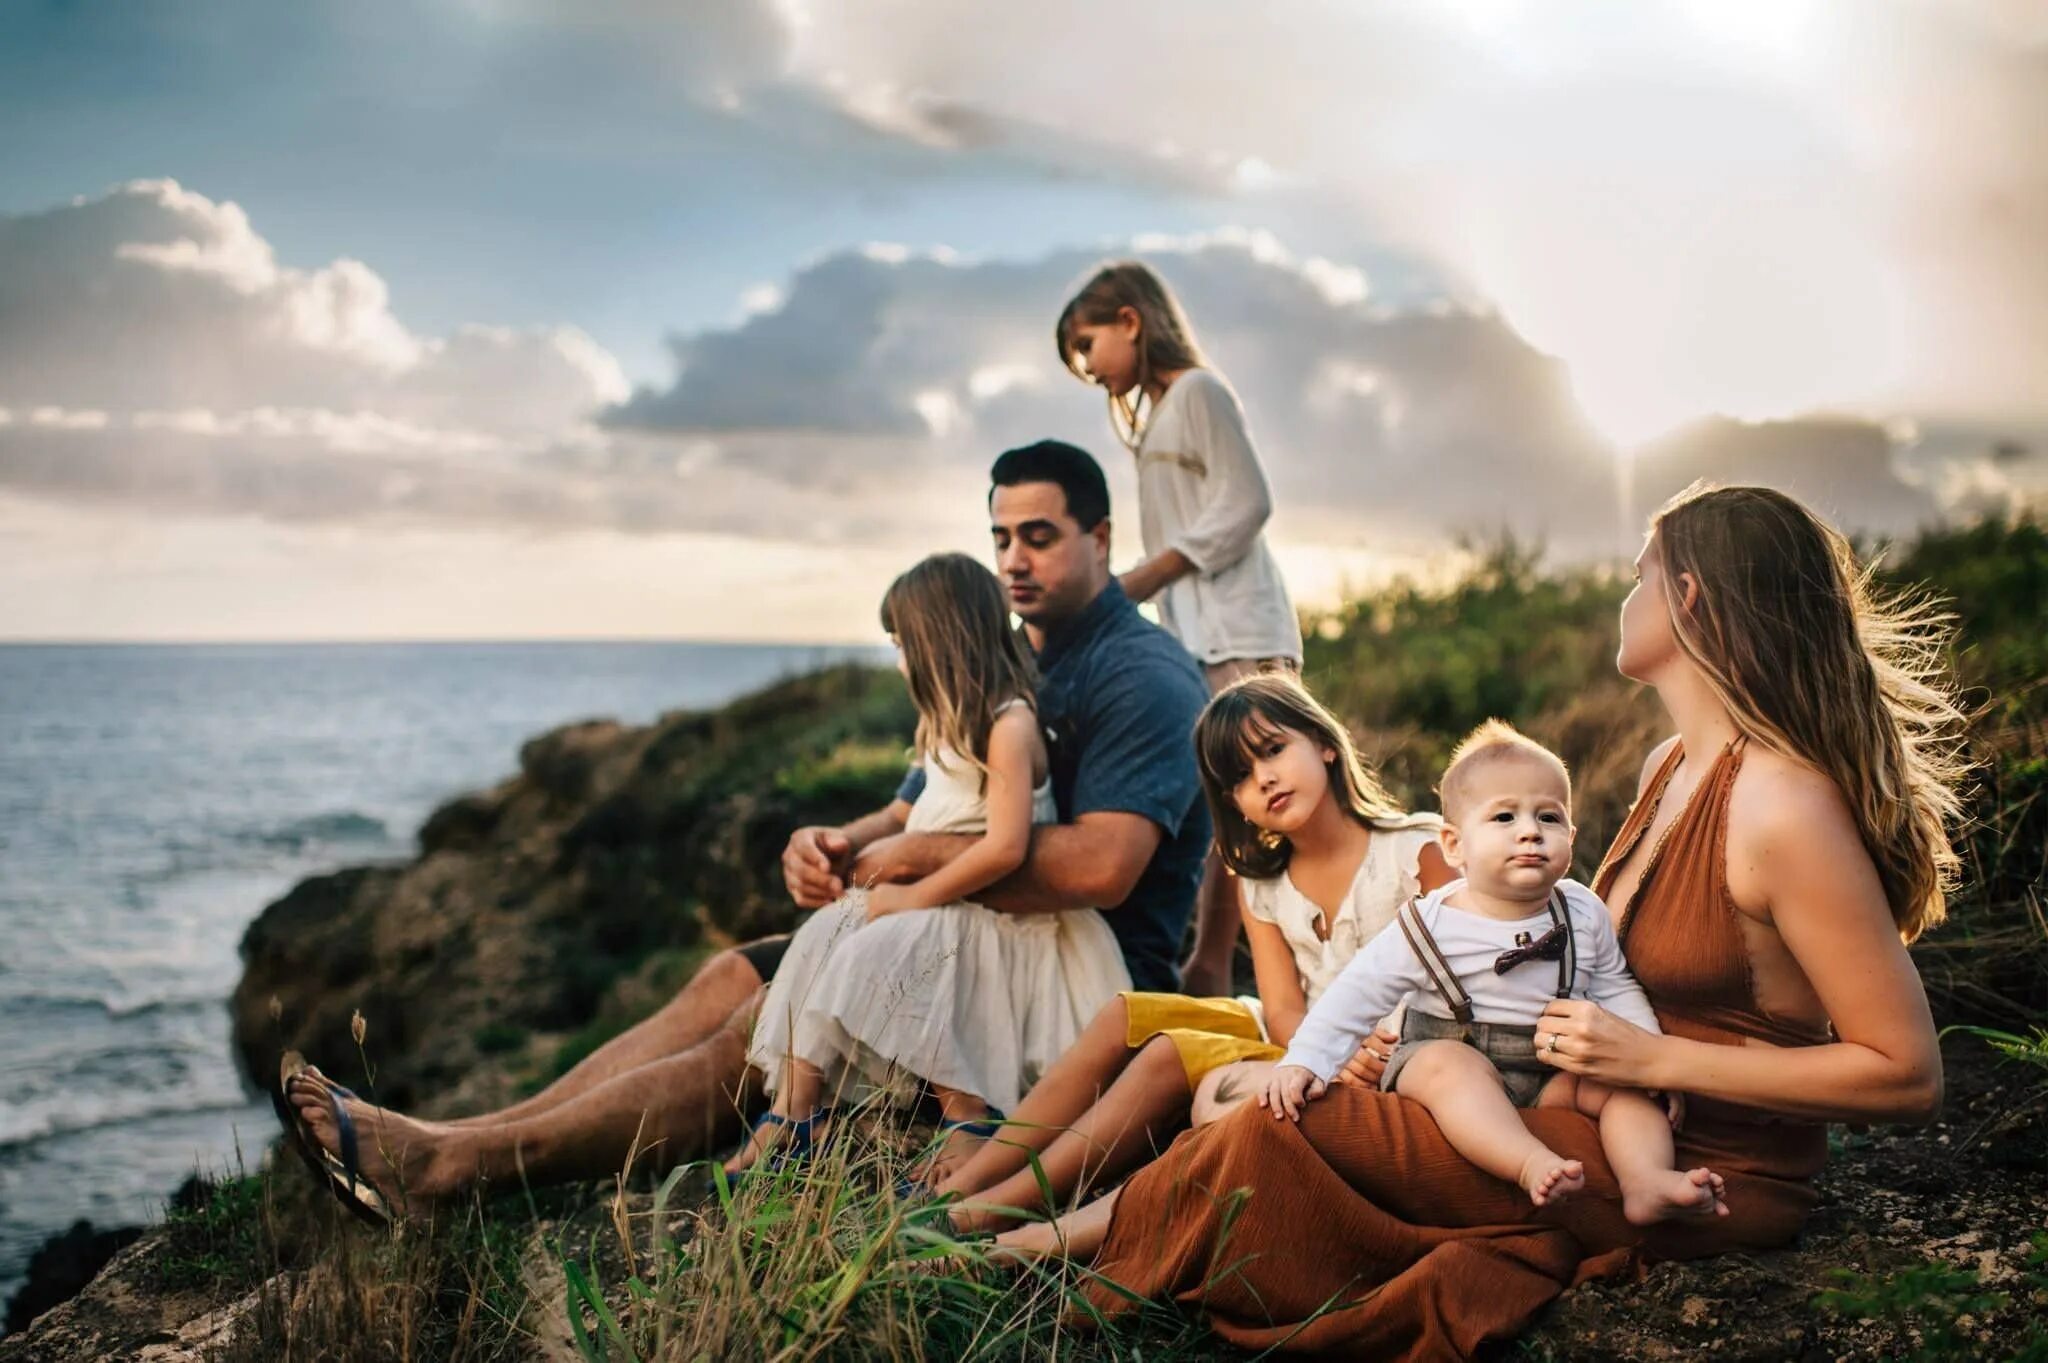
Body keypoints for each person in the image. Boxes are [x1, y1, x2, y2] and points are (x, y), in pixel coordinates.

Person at [1000, 484, 1961, 1363]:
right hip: (1567, 1101)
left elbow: (1905, 1073)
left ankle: (1040, 1258)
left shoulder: (1783, 806)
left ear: (1694, 597)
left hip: (1700, 1164)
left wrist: (1655, 1062)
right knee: (1298, 1105)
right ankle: (1052, 1237)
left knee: (1280, 1130)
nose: (1625, 594)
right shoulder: (1675, 767)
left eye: (1641, 574)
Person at [279, 440, 1211, 1216]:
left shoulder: (1141, 676)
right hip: (958, 924)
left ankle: (451, 1168)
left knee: (750, 1023)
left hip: (1064, 974)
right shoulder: (1005, 657)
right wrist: (832, 842)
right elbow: (916, 799)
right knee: (732, 971)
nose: (1013, 559)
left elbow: (1103, 866)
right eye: (1001, 536)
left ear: (1101, 537)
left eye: (1039, 538)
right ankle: (461, 1137)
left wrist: (914, 859)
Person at [932, 671, 1451, 1233]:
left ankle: (997, 1207)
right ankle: (966, 1182)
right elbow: (1281, 1012)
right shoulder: (1261, 883)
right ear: (1235, 804)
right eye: (1242, 778)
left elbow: (1459, 980)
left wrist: (1341, 1053)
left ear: (1325, 744)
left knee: (1165, 1055)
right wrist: (1325, 1048)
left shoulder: (1416, 849)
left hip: (1371, 1050)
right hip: (1298, 1034)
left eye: (1274, 750)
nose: (1266, 779)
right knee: (1128, 1014)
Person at [727, 553, 1128, 1175]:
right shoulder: (941, 726)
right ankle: (797, 1109)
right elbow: (900, 812)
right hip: (946, 901)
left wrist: (915, 897)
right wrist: (835, 843)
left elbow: (1006, 847)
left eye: (902, 644)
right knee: (821, 936)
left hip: (996, 913)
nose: (900, 660)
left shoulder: (1009, 727)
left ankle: (966, 1118)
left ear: (940, 641)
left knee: (895, 950)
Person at [1260, 721, 1726, 1225]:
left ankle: (1646, 1180)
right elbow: (1356, 995)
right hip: (1451, 1054)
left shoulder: (1581, 911)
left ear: (1569, 838)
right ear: (1454, 846)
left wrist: (1646, 1058)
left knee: (1624, 1088)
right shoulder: (1428, 924)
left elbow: (1614, 985)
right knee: (1447, 1069)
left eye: (1547, 817)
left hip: (1550, 1069)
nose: (1530, 830)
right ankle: (1529, 1163)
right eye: (1504, 816)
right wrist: (1305, 1060)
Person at [1059, 261, 1303, 997]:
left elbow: (1246, 502)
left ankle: (1246, 970)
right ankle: (1208, 967)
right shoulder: (1160, 416)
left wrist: (1142, 579)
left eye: (1088, 344)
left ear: (1130, 321)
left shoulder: (1198, 392)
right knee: (1221, 806)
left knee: (1262, 804)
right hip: (1196, 635)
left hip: (1240, 631)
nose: (1086, 368)